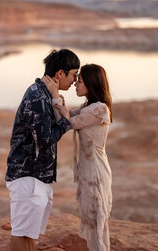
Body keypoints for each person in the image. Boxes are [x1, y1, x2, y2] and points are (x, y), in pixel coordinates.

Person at [5, 49, 80, 251]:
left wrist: (56, 96)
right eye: (74, 73)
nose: (75, 80)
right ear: (60, 74)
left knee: (29, 236)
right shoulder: (37, 97)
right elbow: (46, 140)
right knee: (22, 234)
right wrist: (67, 122)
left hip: (36, 176)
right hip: (28, 175)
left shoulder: (45, 94)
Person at [42, 64, 112, 251]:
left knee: (96, 217)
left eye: (79, 81)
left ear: (91, 83)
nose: (75, 84)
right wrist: (54, 93)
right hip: (88, 169)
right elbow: (61, 117)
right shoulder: (87, 106)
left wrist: (56, 95)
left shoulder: (99, 110)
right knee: (91, 218)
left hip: (96, 171)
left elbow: (68, 122)